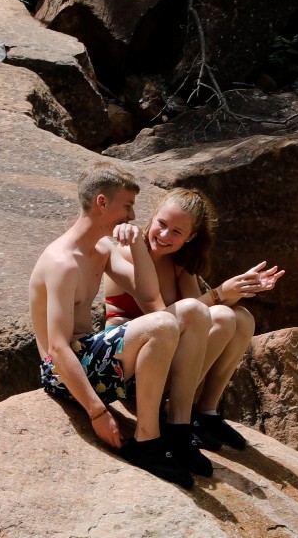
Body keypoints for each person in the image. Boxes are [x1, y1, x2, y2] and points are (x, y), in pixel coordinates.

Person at [30, 162, 207, 484]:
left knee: (194, 311)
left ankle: (179, 430)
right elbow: (56, 348)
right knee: (162, 326)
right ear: (102, 203)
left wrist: (137, 244)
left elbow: (147, 293)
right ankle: (148, 441)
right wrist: (98, 413)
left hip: (92, 357)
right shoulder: (62, 262)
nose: (131, 216)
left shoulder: (101, 249)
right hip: (62, 371)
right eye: (127, 206)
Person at [102, 187, 282, 453]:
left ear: (191, 237)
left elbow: (200, 317)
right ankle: (174, 415)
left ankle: (205, 412)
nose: (164, 235)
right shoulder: (132, 251)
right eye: (161, 224)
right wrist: (220, 293)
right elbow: (163, 318)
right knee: (219, 310)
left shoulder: (179, 261)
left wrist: (242, 288)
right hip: (132, 365)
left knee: (240, 318)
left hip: (163, 352)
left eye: (177, 232)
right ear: (152, 217)